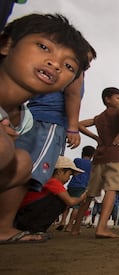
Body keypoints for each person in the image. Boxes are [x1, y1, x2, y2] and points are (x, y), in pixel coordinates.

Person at [0, 13, 92, 244]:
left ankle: (4, 227)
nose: (55, 63)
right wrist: (73, 127)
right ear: (6, 44)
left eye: (70, 65)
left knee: (21, 163)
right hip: (51, 123)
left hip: (34, 121)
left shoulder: (24, 117)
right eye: (43, 47)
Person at [71, 87, 119, 238]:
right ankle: (102, 228)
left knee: (90, 192)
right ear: (107, 99)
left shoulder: (99, 118)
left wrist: (95, 138)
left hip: (99, 157)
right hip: (116, 155)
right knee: (112, 189)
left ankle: (75, 227)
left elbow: (79, 124)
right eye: (117, 97)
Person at [14, 156, 86, 234]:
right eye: (69, 174)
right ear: (59, 172)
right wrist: (82, 197)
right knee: (60, 202)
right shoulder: (53, 182)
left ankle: (34, 228)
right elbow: (70, 202)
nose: (69, 178)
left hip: (21, 215)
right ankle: (35, 229)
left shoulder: (45, 179)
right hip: (24, 217)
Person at [58, 146, 95, 231]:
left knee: (67, 204)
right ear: (92, 155)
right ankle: (70, 225)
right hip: (82, 186)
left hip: (72, 185)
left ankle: (62, 221)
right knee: (76, 207)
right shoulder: (92, 164)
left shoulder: (77, 160)